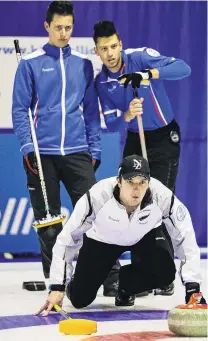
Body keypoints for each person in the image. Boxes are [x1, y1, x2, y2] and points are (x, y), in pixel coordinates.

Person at [35, 154, 206, 316]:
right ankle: (77, 283)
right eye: (130, 181)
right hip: (102, 240)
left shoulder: (161, 196)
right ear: (119, 181)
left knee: (165, 273)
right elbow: (68, 239)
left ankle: (125, 286)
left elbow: (185, 237)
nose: (136, 189)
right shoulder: (97, 196)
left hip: (143, 236)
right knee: (80, 299)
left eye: (142, 182)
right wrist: (58, 285)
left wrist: (193, 287)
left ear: (149, 182)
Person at [93, 20, 192, 295]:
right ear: (97, 51)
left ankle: (165, 275)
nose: (110, 52)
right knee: (133, 201)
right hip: (136, 139)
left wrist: (148, 74)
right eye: (104, 48)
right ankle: (142, 275)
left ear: (120, 44)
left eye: (114, 46)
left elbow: (184, 68)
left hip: (163, 137)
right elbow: (111, 124)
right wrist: (126, 114)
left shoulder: (139, 57)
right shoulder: (102, 82)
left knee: (160, 203)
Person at [12, 1, 101, 285]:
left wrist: (95, 148)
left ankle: (105, 278)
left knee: (94, 216)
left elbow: (90, 112)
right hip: (42, 153)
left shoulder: (84, 65)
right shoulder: (30, 63)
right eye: (58, 27)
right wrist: (28, 147)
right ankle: (57, 281)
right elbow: (20, 109)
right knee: (49, 222)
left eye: (69, 27)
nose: (64, 33)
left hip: (76, 151)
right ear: (47, 26)